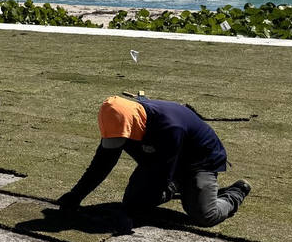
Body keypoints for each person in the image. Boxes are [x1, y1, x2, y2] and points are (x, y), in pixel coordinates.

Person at [57, 94, 251, 232]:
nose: (118, 142)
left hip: (199, 160)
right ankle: (181, 187)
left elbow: (160, 176)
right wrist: (76, 195)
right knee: (136, 203)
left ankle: (235, 193)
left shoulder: (169, 127)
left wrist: (128, 214)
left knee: (205, 216)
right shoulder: (120, 120)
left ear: (133, 125)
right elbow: (101, 165)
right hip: (160, 159)